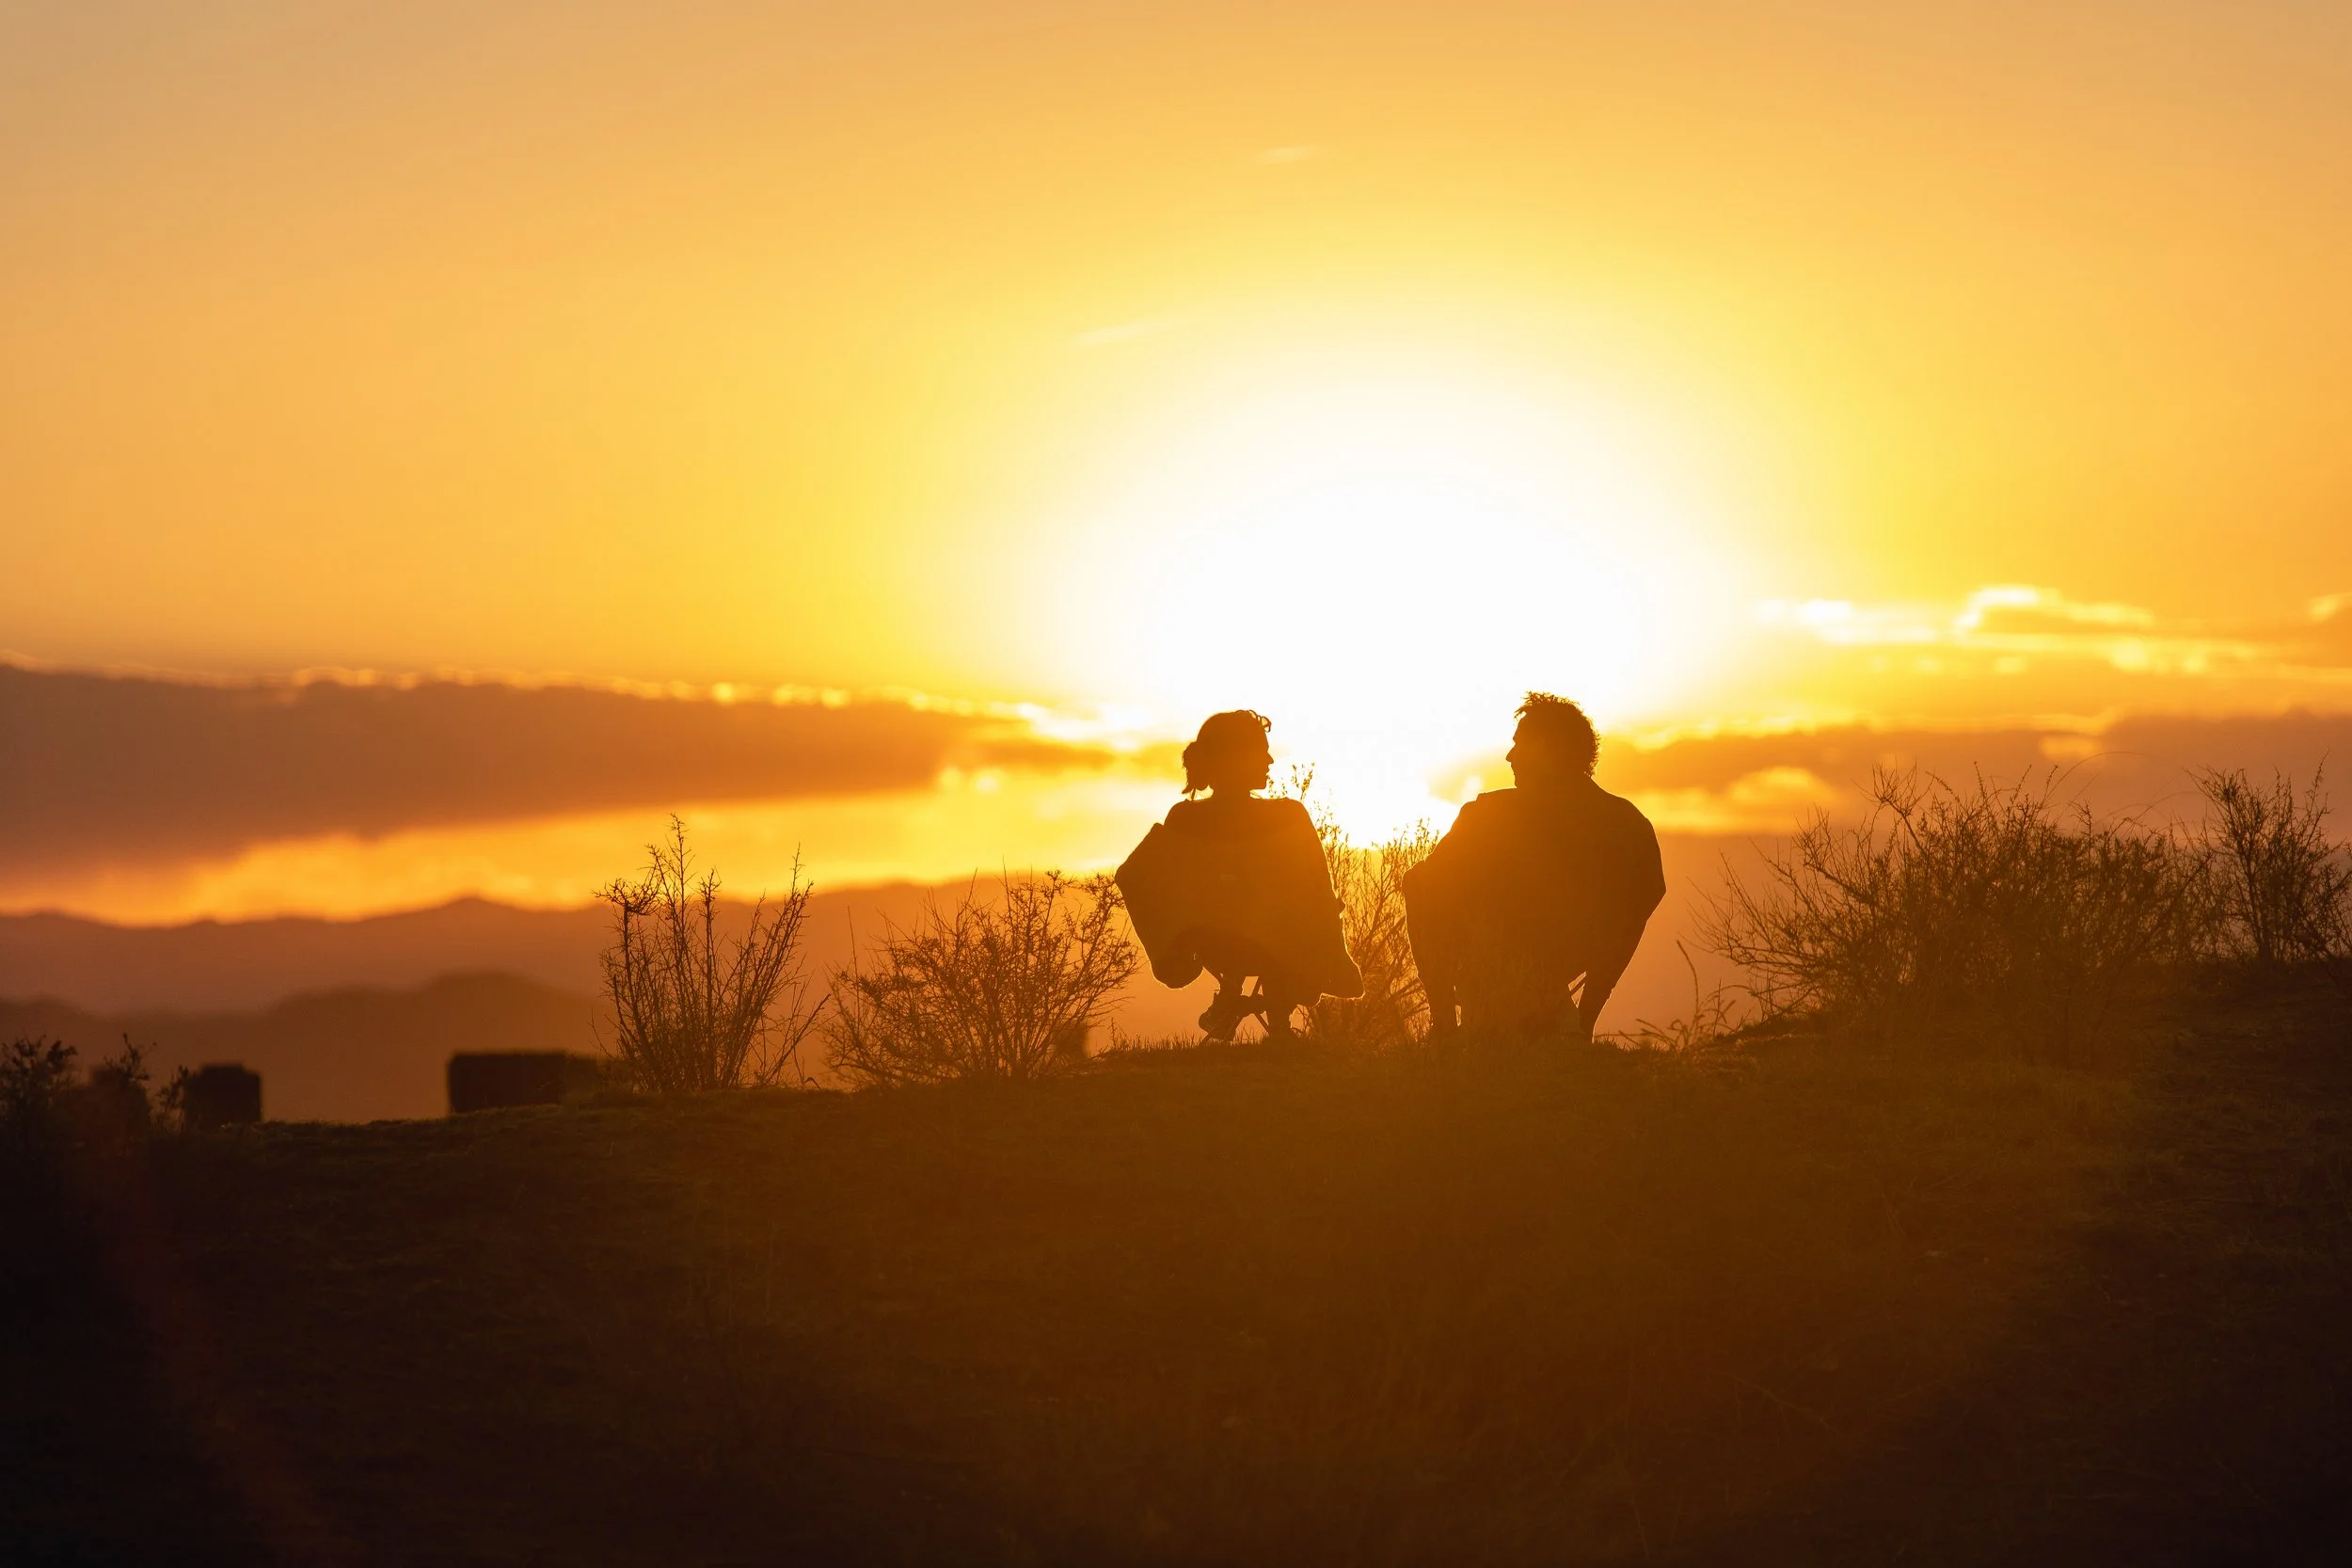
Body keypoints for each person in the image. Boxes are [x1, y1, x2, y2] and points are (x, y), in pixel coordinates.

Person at [1405, 693, 1664, 1042]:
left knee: (1417, 880)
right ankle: (1576, 1026)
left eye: (1519, 744)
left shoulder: (1488, 815)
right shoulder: (1629, 825)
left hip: (1496, 963)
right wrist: (1585, 1017)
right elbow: (1643, 903)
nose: (1510, 756)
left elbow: (1423, 885)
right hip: (1562, 964)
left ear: (1545, 749)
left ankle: (1446, 1031)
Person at [1117, 710, 1361, 1040]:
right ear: (1236, 759)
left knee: (1265, 914)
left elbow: (1133, 875)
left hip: (1211, 948)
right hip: (1277, 948)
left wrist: (1174, 936)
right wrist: (1331, 945)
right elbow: (1317, 892)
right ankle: (1278, 1018)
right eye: (1261, 751)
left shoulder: (1183, 819)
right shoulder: (1288, 817)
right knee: (1308, 913)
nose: (1270, 760)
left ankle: (1230, 996)